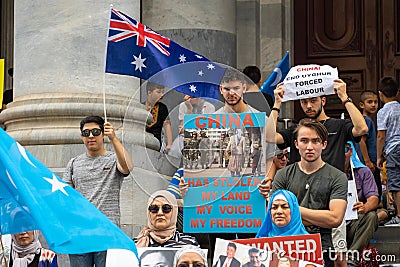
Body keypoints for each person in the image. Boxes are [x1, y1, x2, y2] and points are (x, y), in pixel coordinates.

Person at [270, 119, 348, 267]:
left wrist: (292, 209)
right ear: (296, 144)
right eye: (304, 141)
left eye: (315, 141)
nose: (310, 147)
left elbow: (335, 218)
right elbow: (275, 216)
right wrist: (320, 217)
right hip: (287, 247)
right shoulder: (283, 175)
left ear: (324, 144)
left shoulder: (338, 177)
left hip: (322, 248)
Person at [62, 115, 133, 267]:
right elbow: (66, 195)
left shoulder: (114, 158)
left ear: (103, 133)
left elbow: (127, 167)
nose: (91, 136)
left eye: (95, 131)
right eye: (86, 133)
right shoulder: (73, 163)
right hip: (79, 231)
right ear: (82, 136)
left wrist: (114, 138)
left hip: (107, 231)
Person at [344, 142, 379, 267]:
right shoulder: (326, 172)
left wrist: (365, 207)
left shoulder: (363, 172)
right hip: (333, 224)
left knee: (371, 216)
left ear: (351, 152)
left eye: (345, 149)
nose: (342, 153)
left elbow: (374, 198)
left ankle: (351, 258)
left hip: (354, 223)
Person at [376, 77, 400, 226]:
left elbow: (381, 135)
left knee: (396, 183)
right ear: (397, 93)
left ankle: (399, 215)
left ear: (380, 94)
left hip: (393, 148)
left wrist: (379, 156)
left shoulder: (383, 112)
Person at [355, 90, 382, 204]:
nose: (373, 105)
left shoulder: (367, 120)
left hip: (368, 161)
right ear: (362, 105)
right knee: (375, 191)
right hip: (368, 161)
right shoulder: (366, 121)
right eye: (369, 102)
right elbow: (362, 141)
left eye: (375, 102)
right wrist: (368, 161)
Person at [145, 82, 173, 153]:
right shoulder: (141, 106)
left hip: (157, 142)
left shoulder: (162, 108)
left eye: (163, 92)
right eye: (158, 92)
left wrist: (169, 144)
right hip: (143, 140)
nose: (162, 95)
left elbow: (167, 125)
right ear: (149, 93)